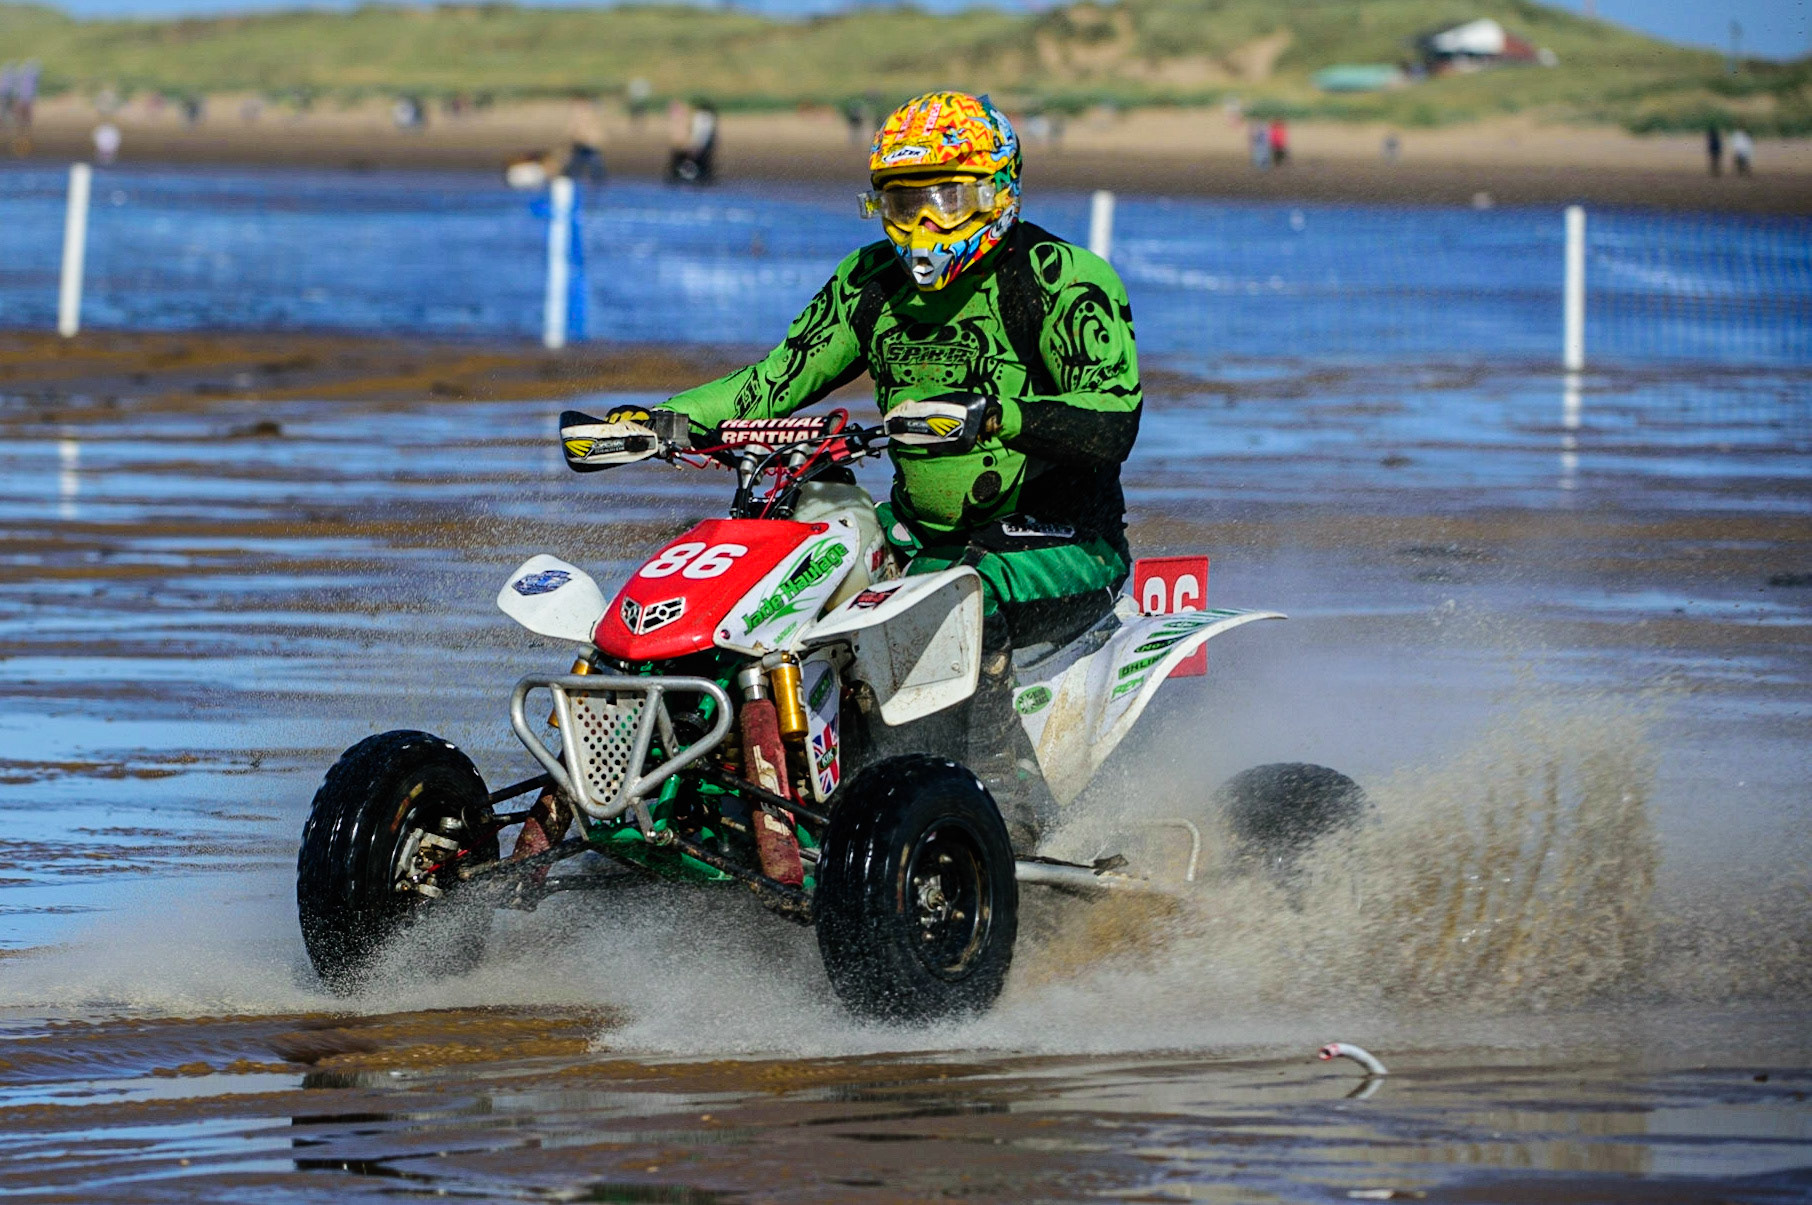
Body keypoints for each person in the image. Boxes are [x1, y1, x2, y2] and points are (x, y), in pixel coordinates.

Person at [606, 91, 1141, 852]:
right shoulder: (870, 281)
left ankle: (1004, 813)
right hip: (920, 534)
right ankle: (744, 779)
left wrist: (997, 414)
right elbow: (771, 381)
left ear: (999, 193)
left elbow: (1114, 421)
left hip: (1065, 541)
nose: (924, 227)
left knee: (962, 593)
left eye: (948, 200)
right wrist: (658, 421)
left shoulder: (1062, 279)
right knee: (784, 561)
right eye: (903, 202)